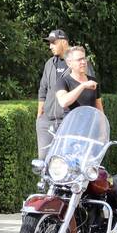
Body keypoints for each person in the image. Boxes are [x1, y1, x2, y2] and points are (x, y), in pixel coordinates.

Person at [36, 29, 71, 158]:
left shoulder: (78, 62)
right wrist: (40, 116)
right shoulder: (49, 64)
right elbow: (43, 89)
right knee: (44, 163)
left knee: (66, 162)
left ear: (63, 42)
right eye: (49, 43)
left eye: (53, 43)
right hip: (47, 122)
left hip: (69, 122)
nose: (50, 46)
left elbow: (92, 93)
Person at [54, 45, 104, 115]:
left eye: (84, 58)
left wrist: (102, 124)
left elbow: (99, 108)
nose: (83, 62)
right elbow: (63, 102)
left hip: (91, 125)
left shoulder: (92, 81)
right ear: (69, 63)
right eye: (79, 60)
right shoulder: (63, 81)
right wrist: (83, 85)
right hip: (72, 125)